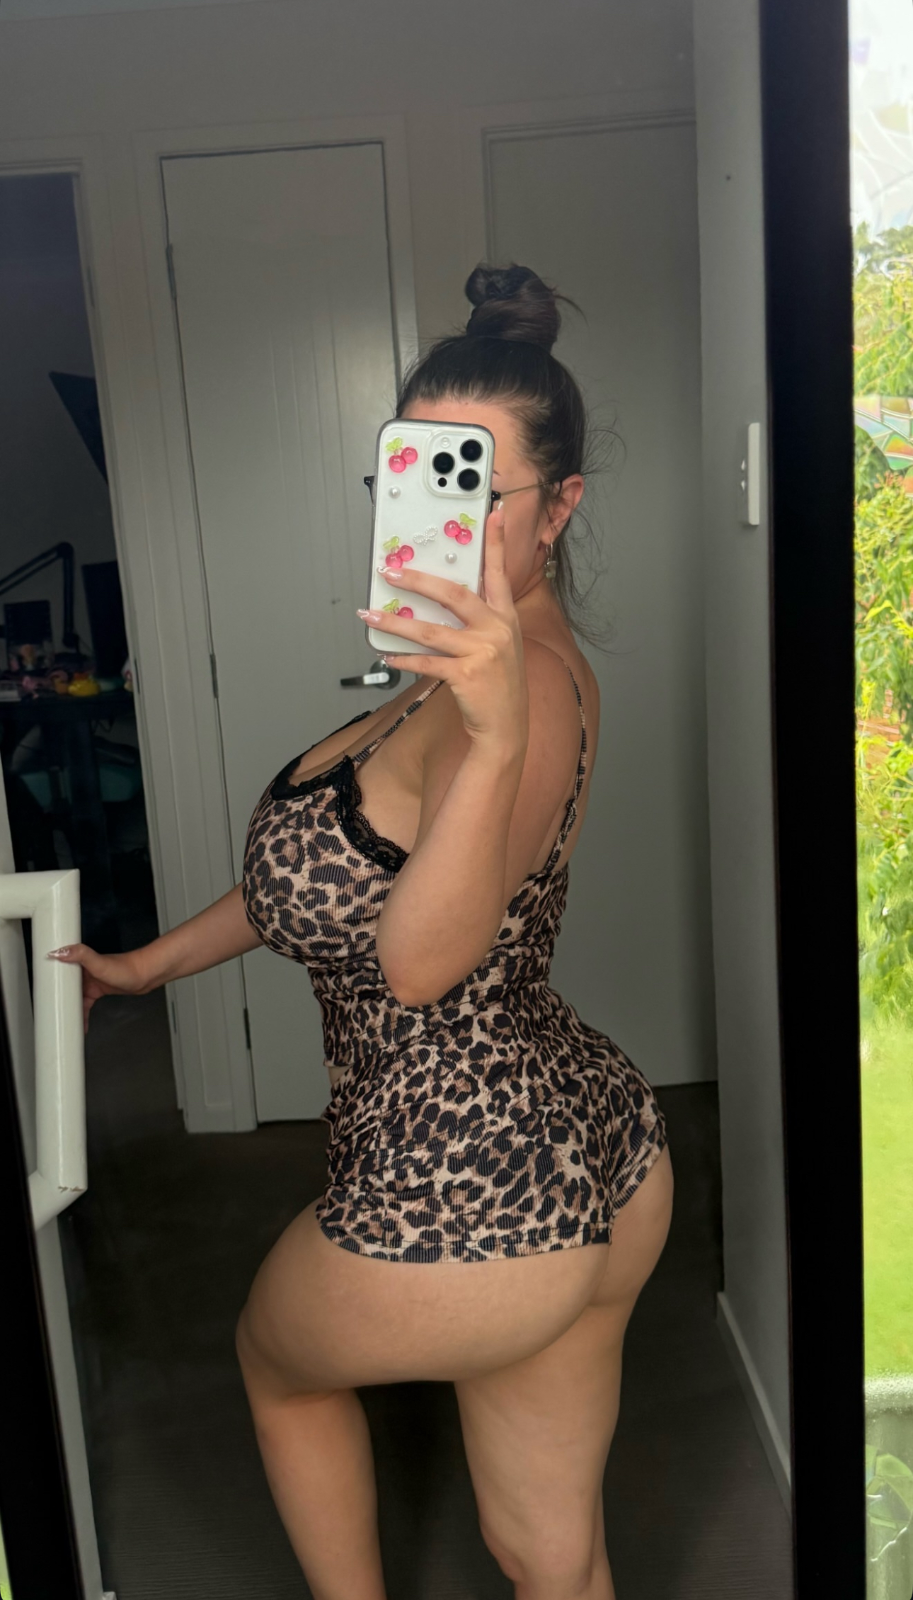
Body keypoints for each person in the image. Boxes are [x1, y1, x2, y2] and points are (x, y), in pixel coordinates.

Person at [51, 264, 674, 1600]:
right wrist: (146, 965)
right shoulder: (446, 676)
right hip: (591, 1139)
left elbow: (420, 963)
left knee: (276, 1366)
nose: (440, 517)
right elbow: (328, 880)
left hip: (467, 1187)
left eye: (479, 488)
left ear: (561, 507)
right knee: (551, 1558)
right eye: (417, 477)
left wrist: (494, 733)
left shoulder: (524, 691)